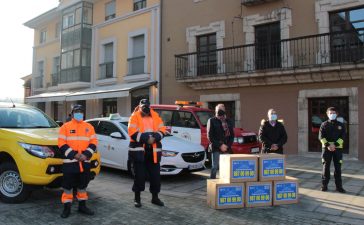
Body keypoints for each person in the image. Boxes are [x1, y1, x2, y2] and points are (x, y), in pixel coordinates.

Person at [58, 104, 98, 218]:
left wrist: (86, 155)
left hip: (84, 162)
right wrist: (74, 154)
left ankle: (82, 206)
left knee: (82, 186)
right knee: (67, 187)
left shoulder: (89, 127)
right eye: (77, 111)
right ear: (72, 113)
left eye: (81, 111)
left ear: (84, 113)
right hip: (70, 163)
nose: (79, 113)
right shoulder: (65, 127)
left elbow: (94, 142)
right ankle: (67, 208)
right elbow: (61, 143)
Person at [128, 99, 166, 208]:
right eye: (143, 107)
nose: (145, 109)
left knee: (155, 177)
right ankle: (137, 198)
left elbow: (163, 130)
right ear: (139, 107)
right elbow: (132, 132)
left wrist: (154, 138)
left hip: (153, 152)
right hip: (139, 152)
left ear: (150, 107)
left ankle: (155, 198)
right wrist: (146, 139)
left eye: (147, 107)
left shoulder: (155, 116)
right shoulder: (134, 116)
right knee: (139, 177)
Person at [319, 107, 346, 193]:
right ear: (327, 114)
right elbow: (321, 137)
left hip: (337, 150)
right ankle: (324, 185)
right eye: (330, 113)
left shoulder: (341, 125)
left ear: (337, 114)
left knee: (338, 168)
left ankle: (339, 187)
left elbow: (343, 136)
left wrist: (335, 145)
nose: (332, 115)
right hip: (326, 149)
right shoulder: (324, 124)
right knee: (325, 168)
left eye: (333, 113)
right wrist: (328, 145)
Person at [206, 104, 234, 179]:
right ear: (216, 111)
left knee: (225, 167)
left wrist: (227, 145)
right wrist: (220, 145)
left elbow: (231, 136)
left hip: (226, 147)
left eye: (222, 109)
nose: (221, 110)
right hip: (216, 147)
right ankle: (212, 183)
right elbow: (210, 136)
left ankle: (224, 183)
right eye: (219, 109)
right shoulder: (212, 120)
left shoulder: (228, 121)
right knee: (215, 167)